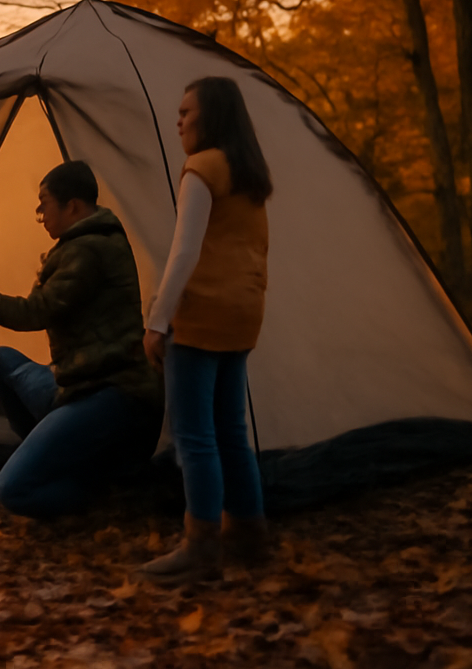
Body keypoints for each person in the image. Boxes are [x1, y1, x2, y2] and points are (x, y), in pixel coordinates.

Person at [0, 161, 163, 518]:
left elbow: (36, 312)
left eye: (45, 202)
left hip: (110, 394)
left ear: (73, 207)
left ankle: (99, 493)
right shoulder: (87, 242)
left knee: (12, 489)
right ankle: (58, 450)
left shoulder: (88, 250)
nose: (40, 213)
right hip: (76, 383)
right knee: (1, 361)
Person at [138, 76, 272, 584]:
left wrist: (156, 320)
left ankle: (200, 546)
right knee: (231, 430)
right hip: (243, 311)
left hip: (201, 314)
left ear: (211, 117)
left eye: (186, 112)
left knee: (194, 434)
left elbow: (184, 251)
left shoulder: (201, 169)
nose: (178, 120)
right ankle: (248, 532)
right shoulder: (248, 173)